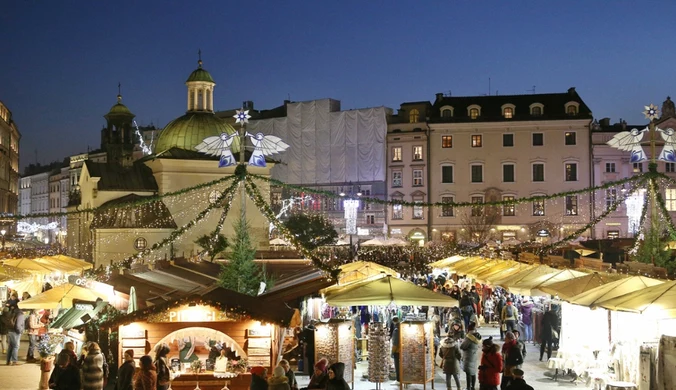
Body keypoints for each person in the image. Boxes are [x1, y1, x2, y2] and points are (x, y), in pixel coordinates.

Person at [460, 322, 481, 390]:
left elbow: (463, 346)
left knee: (468, 373)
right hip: (474, 356)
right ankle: (473, 387)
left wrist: (461, 342)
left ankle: (468, 387)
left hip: (468, 357)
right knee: (473, 372)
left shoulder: (469, 338)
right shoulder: (477, 336)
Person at [390, 316, 401, 382]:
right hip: (401, 350)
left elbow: (395, 343)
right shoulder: (401, 328)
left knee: (397, 366)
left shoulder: (396, 330)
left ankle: (398, 379)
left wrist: (392, 352)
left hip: (397, 351)